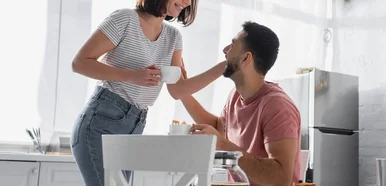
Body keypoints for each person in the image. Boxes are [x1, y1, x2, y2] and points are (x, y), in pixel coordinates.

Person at [70, 0, 225, 185]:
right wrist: (131, 76)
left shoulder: (173, 37)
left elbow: (177, 90)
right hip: (101, 121)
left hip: (135, 125)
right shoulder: (125, 19)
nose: (187, 2)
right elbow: (79, 63)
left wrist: (224, 67)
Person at [181, 21, 302, 186]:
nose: (225, 50)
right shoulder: (235, 96)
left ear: (246, 58)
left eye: (232, 45)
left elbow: (281, 178)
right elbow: (219, 129)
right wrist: (182, 91)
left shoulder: (278, 106)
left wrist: (222, 144)